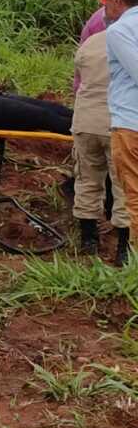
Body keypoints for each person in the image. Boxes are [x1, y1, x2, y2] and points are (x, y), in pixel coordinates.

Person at [73, 17, 128, 257]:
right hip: (119, 123)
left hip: (85, 121)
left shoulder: (91, 42)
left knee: (86, 181)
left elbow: (78, 84)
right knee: (124, 185)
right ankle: (123, 250)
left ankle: (88, 240)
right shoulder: (130, 42)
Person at [103, 0, 138, 267]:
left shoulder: (119, 30)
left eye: (105, 0)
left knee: (135, 197)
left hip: (131, 123)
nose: (104, 8)